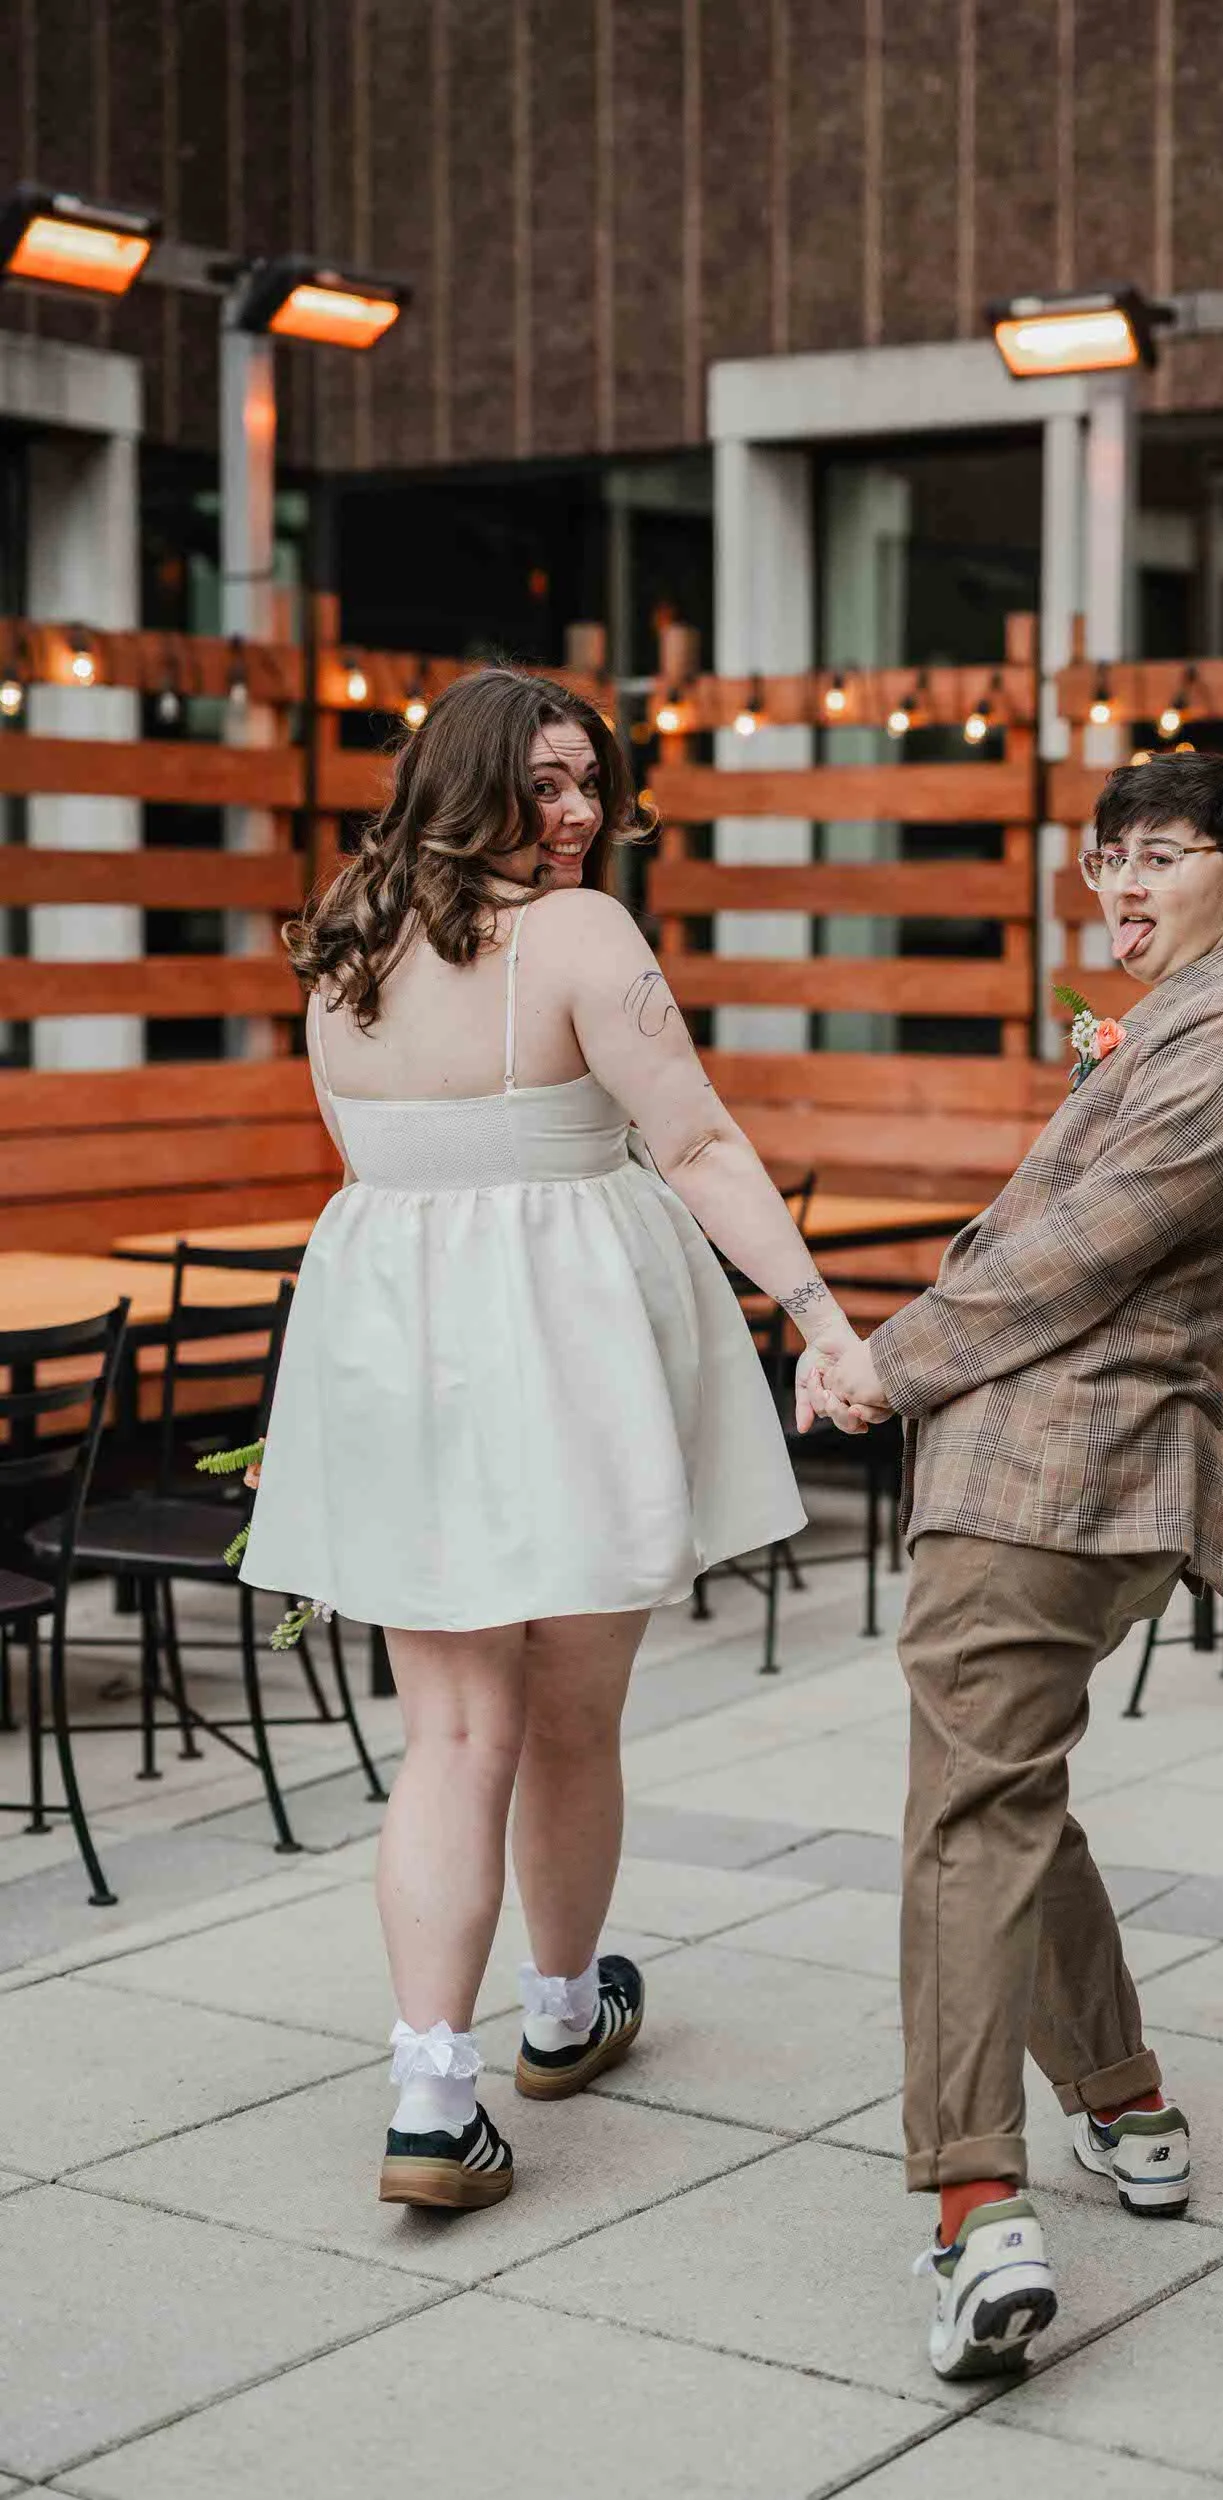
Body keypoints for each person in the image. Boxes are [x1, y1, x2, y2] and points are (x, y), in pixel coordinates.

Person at [242, 665, 865, 2211]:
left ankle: (429, 2094)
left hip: (393, 1351)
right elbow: (699, 1139)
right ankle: (562, 2014)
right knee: (568, 1720)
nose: (578, 813)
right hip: (565, 1351)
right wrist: (817, 1315)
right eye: (547, 784)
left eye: (591, 781)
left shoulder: (345, 936)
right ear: (470, 782)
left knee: (451, 1738)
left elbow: (376, 1165)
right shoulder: (579, 934)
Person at [812, 751, 1223, 2378]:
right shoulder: (1184, 1016)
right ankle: (1129, 2107)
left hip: (1067, 1474)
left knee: (966, 1818)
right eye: (1106, 854)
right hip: (1051, 1473)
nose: (1120, 881)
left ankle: (975, 2210)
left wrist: (885, 1357)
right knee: (1004, 1791)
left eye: (1161, 854)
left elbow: (1077, 1246)